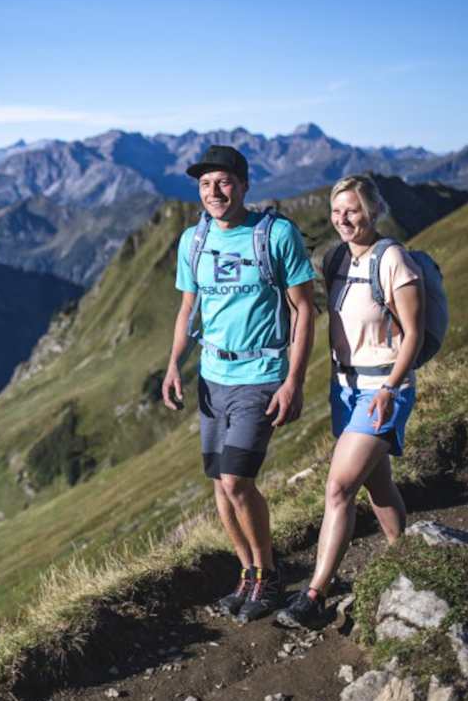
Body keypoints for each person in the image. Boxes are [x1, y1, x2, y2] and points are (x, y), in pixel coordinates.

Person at [162, 145, 316, 622]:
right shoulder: (195, 241)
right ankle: (247, 573)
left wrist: (294, 380)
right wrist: (173, 365)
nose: (214, 191)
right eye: (205, 184)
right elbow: (189, 308)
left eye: (224, 182)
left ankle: (268, 577)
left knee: (237, 480)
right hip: (212, 375)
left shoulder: (276, 234)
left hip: (261, 375)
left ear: (244, 185)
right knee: (219, 485)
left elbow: (304, 309)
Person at [275, 174, 422, 629]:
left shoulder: (393, 259)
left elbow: (414, 333)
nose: (342, 220)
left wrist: (389, 388)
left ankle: (316, 594)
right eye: (337, 212)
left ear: (373, 210)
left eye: (352, 211)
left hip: (382, 388)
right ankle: (409, 557)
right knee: (377, 485)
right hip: (344, 388)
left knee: (338, 488)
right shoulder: (336, 257)